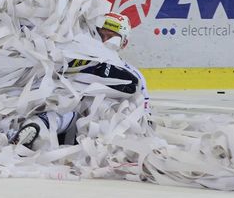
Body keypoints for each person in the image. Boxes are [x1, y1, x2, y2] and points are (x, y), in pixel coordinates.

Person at [8, 12, 150, 150]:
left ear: (124, 43)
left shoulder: (134, 75)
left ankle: (37, 131)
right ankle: (32, 131)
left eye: (111, 37)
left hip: (97, 127)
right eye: (102, 35)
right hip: (68, 113)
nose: (105, 40)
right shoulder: (79, 57)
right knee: (67, 108)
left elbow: (142, 109)